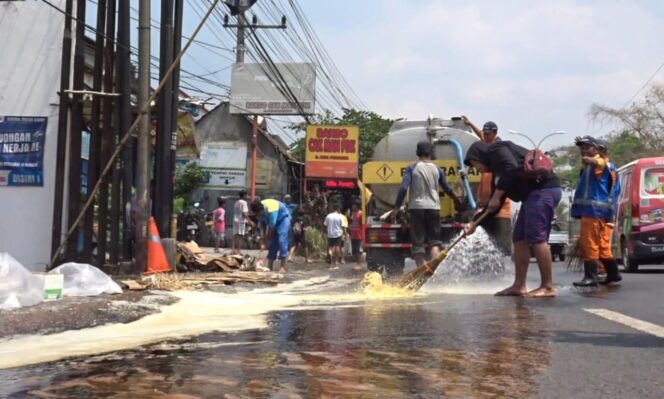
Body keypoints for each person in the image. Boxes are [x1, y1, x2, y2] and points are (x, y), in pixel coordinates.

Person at [464, 140, 562, 297]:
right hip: (532, 196)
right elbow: (493, 205)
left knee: (537, 238)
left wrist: (496, 196)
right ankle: (519, 285)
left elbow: (511, 167)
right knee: (519, 238)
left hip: (544, 190)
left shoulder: (497, 149)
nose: (476, 169)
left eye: (474, 164)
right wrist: (475, 223)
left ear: (479, 155)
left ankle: (548, 286)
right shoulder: (498, 174)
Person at [393, 140, 463, 266]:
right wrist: (456, 199)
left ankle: (422, 269)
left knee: (418, 242)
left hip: (416, 208)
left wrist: (396, 208)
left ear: (417, 153)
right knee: (435, 241)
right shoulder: (437, 170)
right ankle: (434, 267)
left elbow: (404, 188)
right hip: (433, 208)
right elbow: (447, 188)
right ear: (431, 153)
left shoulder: (412, 167)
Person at [570, 136, 622, 287]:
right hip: (598, 211)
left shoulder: (601, 164)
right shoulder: (599, 167)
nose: (584, 151)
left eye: (588, 147)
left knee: (589, 243)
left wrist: (591, 160)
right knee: (601, 245)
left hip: (593, 211)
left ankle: (591, 276)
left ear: (598, 150)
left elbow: (599, 162)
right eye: (582, 148)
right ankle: (613, 273)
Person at [462, 116, 512, 256]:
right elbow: (481, 136)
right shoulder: (488, 152)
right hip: (485, 209)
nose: (486, 137)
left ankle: (506, 274)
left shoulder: (499, 149)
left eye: (489, 134)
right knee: (487, 246)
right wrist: (470, 123)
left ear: (495, 134)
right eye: (485, 134)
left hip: (500, 209)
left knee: (502, 248)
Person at [250, 198, 292, 273]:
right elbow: (263, 227)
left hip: (283, 219)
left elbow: (271, 229)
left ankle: (282, 266)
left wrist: (265, 242)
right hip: (273, 223)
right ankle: (270, 266)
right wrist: (262, 241)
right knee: (273, 243)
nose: (258, 215)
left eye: (259, 213)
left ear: (261, 209)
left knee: (281, 240)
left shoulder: (271, 209)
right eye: (257, 214)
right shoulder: (258, 213)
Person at [232, 190, 254, 255]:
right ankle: (238, 250)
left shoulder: (236, 202)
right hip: (241, 221)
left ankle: (233, 250)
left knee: (235, 235)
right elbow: (244, 213)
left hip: (235, 220)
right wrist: (250, 221)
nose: (247, 196)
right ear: (244, 195)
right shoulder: (244, 203)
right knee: (240, 236)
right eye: (247, 195)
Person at [350, 199, 365, 271]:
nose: (353, 206)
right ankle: (357, 263)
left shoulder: (361, 213)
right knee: (354, 251)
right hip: (353, 234)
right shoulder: (353, 213)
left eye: (354, 205)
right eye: (353, 205)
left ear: (358, 206)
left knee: (359, 251)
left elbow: (363, 224)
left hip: (359, 234)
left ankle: (360, 264)